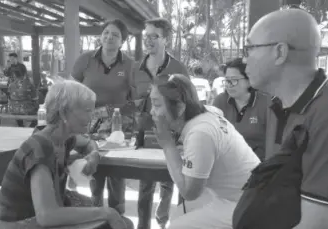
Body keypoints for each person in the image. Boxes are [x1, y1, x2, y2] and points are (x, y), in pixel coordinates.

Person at [243, 8, 328, 229]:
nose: (244, 59)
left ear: (280, 52)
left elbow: (322, 224)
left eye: (249, 48)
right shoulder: (283, 107)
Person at [0, 80, 133, 229]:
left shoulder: (64, 138)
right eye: (87, 110)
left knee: (123, 222)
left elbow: (88, 143)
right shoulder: (41, 147)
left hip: (42, 220)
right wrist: (105, 212)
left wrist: (94, 155)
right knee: (116, 221)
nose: (91, 117)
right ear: (63, 113)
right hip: (22, 224)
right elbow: (46, 216)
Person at [149, 74, 260, 229]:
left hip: (248, 205)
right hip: (241, 195)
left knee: (177, 226)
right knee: (178, 214)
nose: (151, 112)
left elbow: (189, 192)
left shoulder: (200, 133)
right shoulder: (207, 113)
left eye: (156, 105)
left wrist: (168, 145)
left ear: (180, 107)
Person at [72, 19, 135, 214]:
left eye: (115, 35)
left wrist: (112, 113)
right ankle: (95, 214)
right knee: (95, 171)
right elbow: (72, 93)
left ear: (122, 41)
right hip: (89, 127)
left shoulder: (131, 65)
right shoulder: (85, 60)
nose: (109, 37)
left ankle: (118, 216)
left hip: (118, 128)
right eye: (106, 32)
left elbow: (136, 102)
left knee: (117, 174)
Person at [134, 18, 189, 229]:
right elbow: (131, 99)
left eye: (153, 36)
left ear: (165, 39)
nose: (148, 40)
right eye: (145, 36)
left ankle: (163, 222)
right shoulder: (135, 67)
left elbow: (186, 103)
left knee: (168, 180)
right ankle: (142, 225)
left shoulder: (178, 68)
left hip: (171, 134)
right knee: (144, 183)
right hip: (143, 134)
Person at [213, 58, 269, 160]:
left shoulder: (266, 103)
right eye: (226, 80)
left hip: (258, 166)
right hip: (226, 164)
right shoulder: (220, 101)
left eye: (234, 80)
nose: (228, 85)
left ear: (249, 81)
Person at [4, 52, 38, 127]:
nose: (11, 60)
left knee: (23, 105)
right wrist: (7, 67)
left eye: (12, 59)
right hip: (15, 91)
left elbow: (25, 76)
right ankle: (24, 125)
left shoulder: (21, 66)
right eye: (10, 59)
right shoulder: (9, 67)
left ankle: (23, 124)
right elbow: (6, 74)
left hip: (18, 90)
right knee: (29, 107)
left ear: (16, 58)